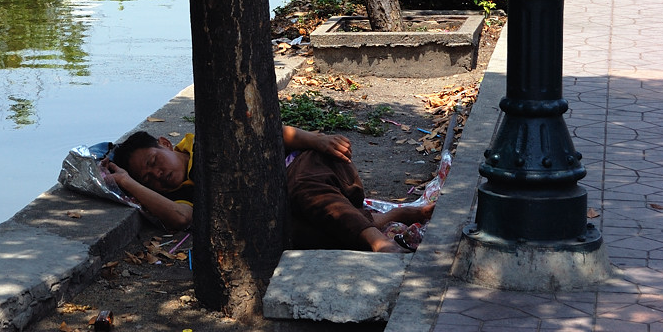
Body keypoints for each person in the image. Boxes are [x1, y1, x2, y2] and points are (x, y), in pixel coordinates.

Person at [105, 126, 433, 253]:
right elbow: (180, 218)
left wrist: (318, 140)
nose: (157, 174)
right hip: (301, 204)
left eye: (153, 161)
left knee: (300, 187)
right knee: (296, 232)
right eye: (147, 179)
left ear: (165, 143)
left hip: (314, 166)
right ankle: (386, 219)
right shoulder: (181, 197)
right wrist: (127, 182)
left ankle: (378, 241)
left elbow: (269, 131)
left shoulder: (206, 137)